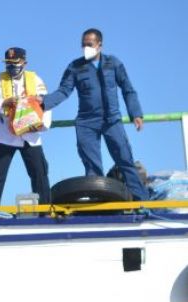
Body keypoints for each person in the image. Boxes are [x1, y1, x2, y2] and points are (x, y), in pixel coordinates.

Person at [41, 28, 148, 201]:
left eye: (89, 44)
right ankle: (100, 204)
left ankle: (143, 203)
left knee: (125, 160)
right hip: (86, 123)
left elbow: (128, 89)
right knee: (92, 168)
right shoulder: (75, 67)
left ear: (99, 45)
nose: (85, 48)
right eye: (83, 45)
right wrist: (42, 103)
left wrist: (136, 113)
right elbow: (63, 91)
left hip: (112, 121)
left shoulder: (113, 63)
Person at [0, 47, 52, 206]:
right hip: (5, 136)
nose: (11, 66)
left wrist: (43, 126)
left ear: (24, 63)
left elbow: (46, 104)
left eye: (15, 63)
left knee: (39, 174)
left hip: (31, 135)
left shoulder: (36, 80)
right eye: (8, 63)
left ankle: (45, 212)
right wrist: (1, 103)